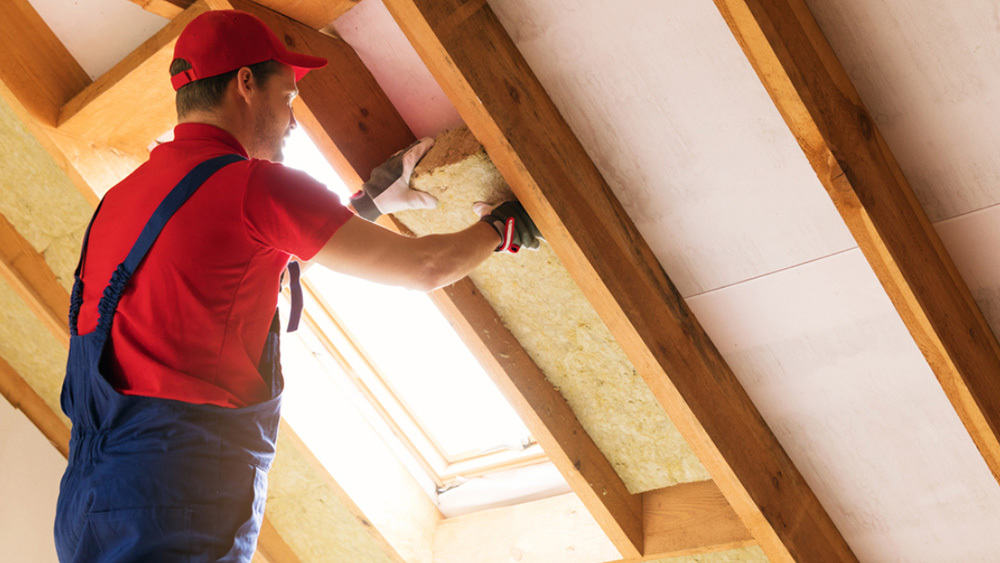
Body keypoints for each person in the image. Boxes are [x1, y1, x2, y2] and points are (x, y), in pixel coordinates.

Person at [53, 9, 540, 562]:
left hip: (89, 507)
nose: (289, 122)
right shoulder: (254, 187)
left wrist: (369, 206)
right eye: (286, 99)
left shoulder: (123, 197)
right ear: (244, 84)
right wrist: (502, 229)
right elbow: (424, 268)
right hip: (177, 501)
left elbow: (235, 277)